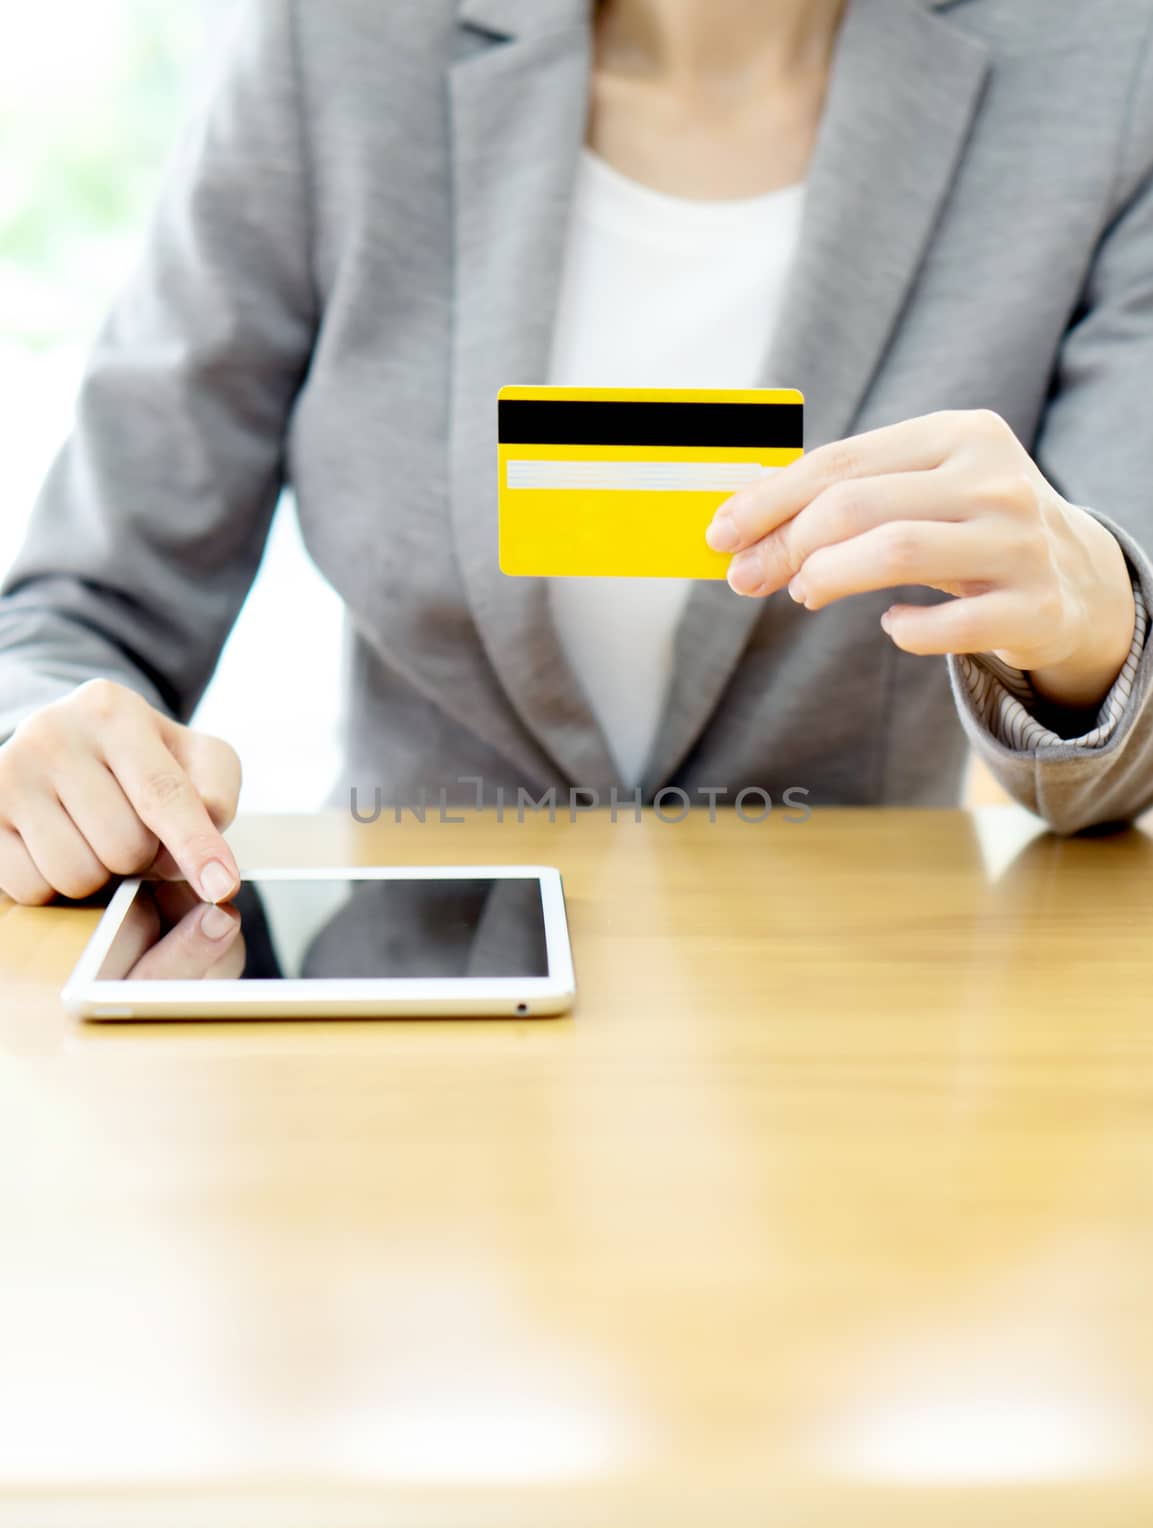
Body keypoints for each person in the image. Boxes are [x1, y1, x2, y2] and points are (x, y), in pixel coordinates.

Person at [1, 0, 1152, 916]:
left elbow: (1117, 759)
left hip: (856, 1029)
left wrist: (1097, 626)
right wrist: (49, 744)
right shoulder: (335, 41)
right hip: (413, 1044)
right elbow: (72, 614)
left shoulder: (1106, 73)